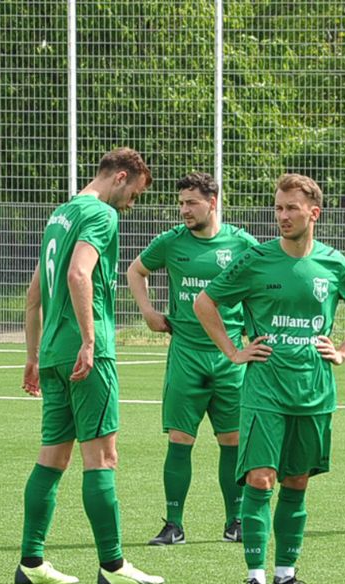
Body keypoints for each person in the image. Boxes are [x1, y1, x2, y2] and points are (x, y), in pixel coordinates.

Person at [194, 174, 345, 584]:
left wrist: (344, 351)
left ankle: (285, 577)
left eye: (291, 208)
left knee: (296, 481)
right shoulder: (256, 260)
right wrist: (234, 351)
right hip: (265, 389)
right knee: (260, 479)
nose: (282, 215)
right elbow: (205, 302)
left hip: (314, 391)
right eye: (278, 208)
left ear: (314, 213)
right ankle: (255, 578)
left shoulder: (333, 263)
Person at [16, 147, 164, 584]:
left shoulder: (60, 215)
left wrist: (33, 356)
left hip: (52, 354)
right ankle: (113, 566)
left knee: (52, 456)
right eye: (134, 194)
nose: (131, 204)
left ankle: (31, 562)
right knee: (102, 457)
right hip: (86, 354)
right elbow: (79, 275)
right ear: (120, 177)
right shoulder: (101, 214)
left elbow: (33, 296)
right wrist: (89, 340)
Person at [127, 172, 260, 546]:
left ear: (212, 203)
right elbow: (136, 270)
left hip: (229, 358)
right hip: (186, 355)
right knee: (180, 438)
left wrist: (254, 331)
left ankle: (235, 522)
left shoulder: (242, 243)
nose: (184, 210)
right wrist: (148, 312)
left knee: (232, 440)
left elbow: (261, 286)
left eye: (191, 203)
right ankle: (174, 525)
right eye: (181, 203)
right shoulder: (171, 242)